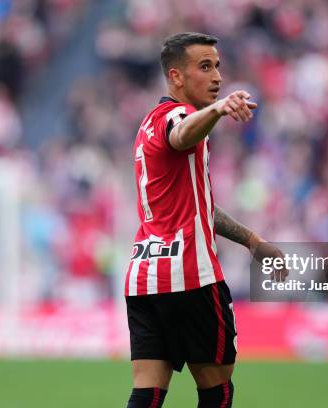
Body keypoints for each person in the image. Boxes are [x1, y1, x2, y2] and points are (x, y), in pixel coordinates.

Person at [125, 32, 287, 408]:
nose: (216, 76)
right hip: (190, 276)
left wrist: (251, 240)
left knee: (147, 390)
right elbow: (181, 135)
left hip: (145, 276)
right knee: (217, 389)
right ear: (176, 77)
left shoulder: (147, 123)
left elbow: (200, 209)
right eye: (204, 66)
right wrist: (217, 111)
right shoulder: (178, 117)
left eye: (217, 67)